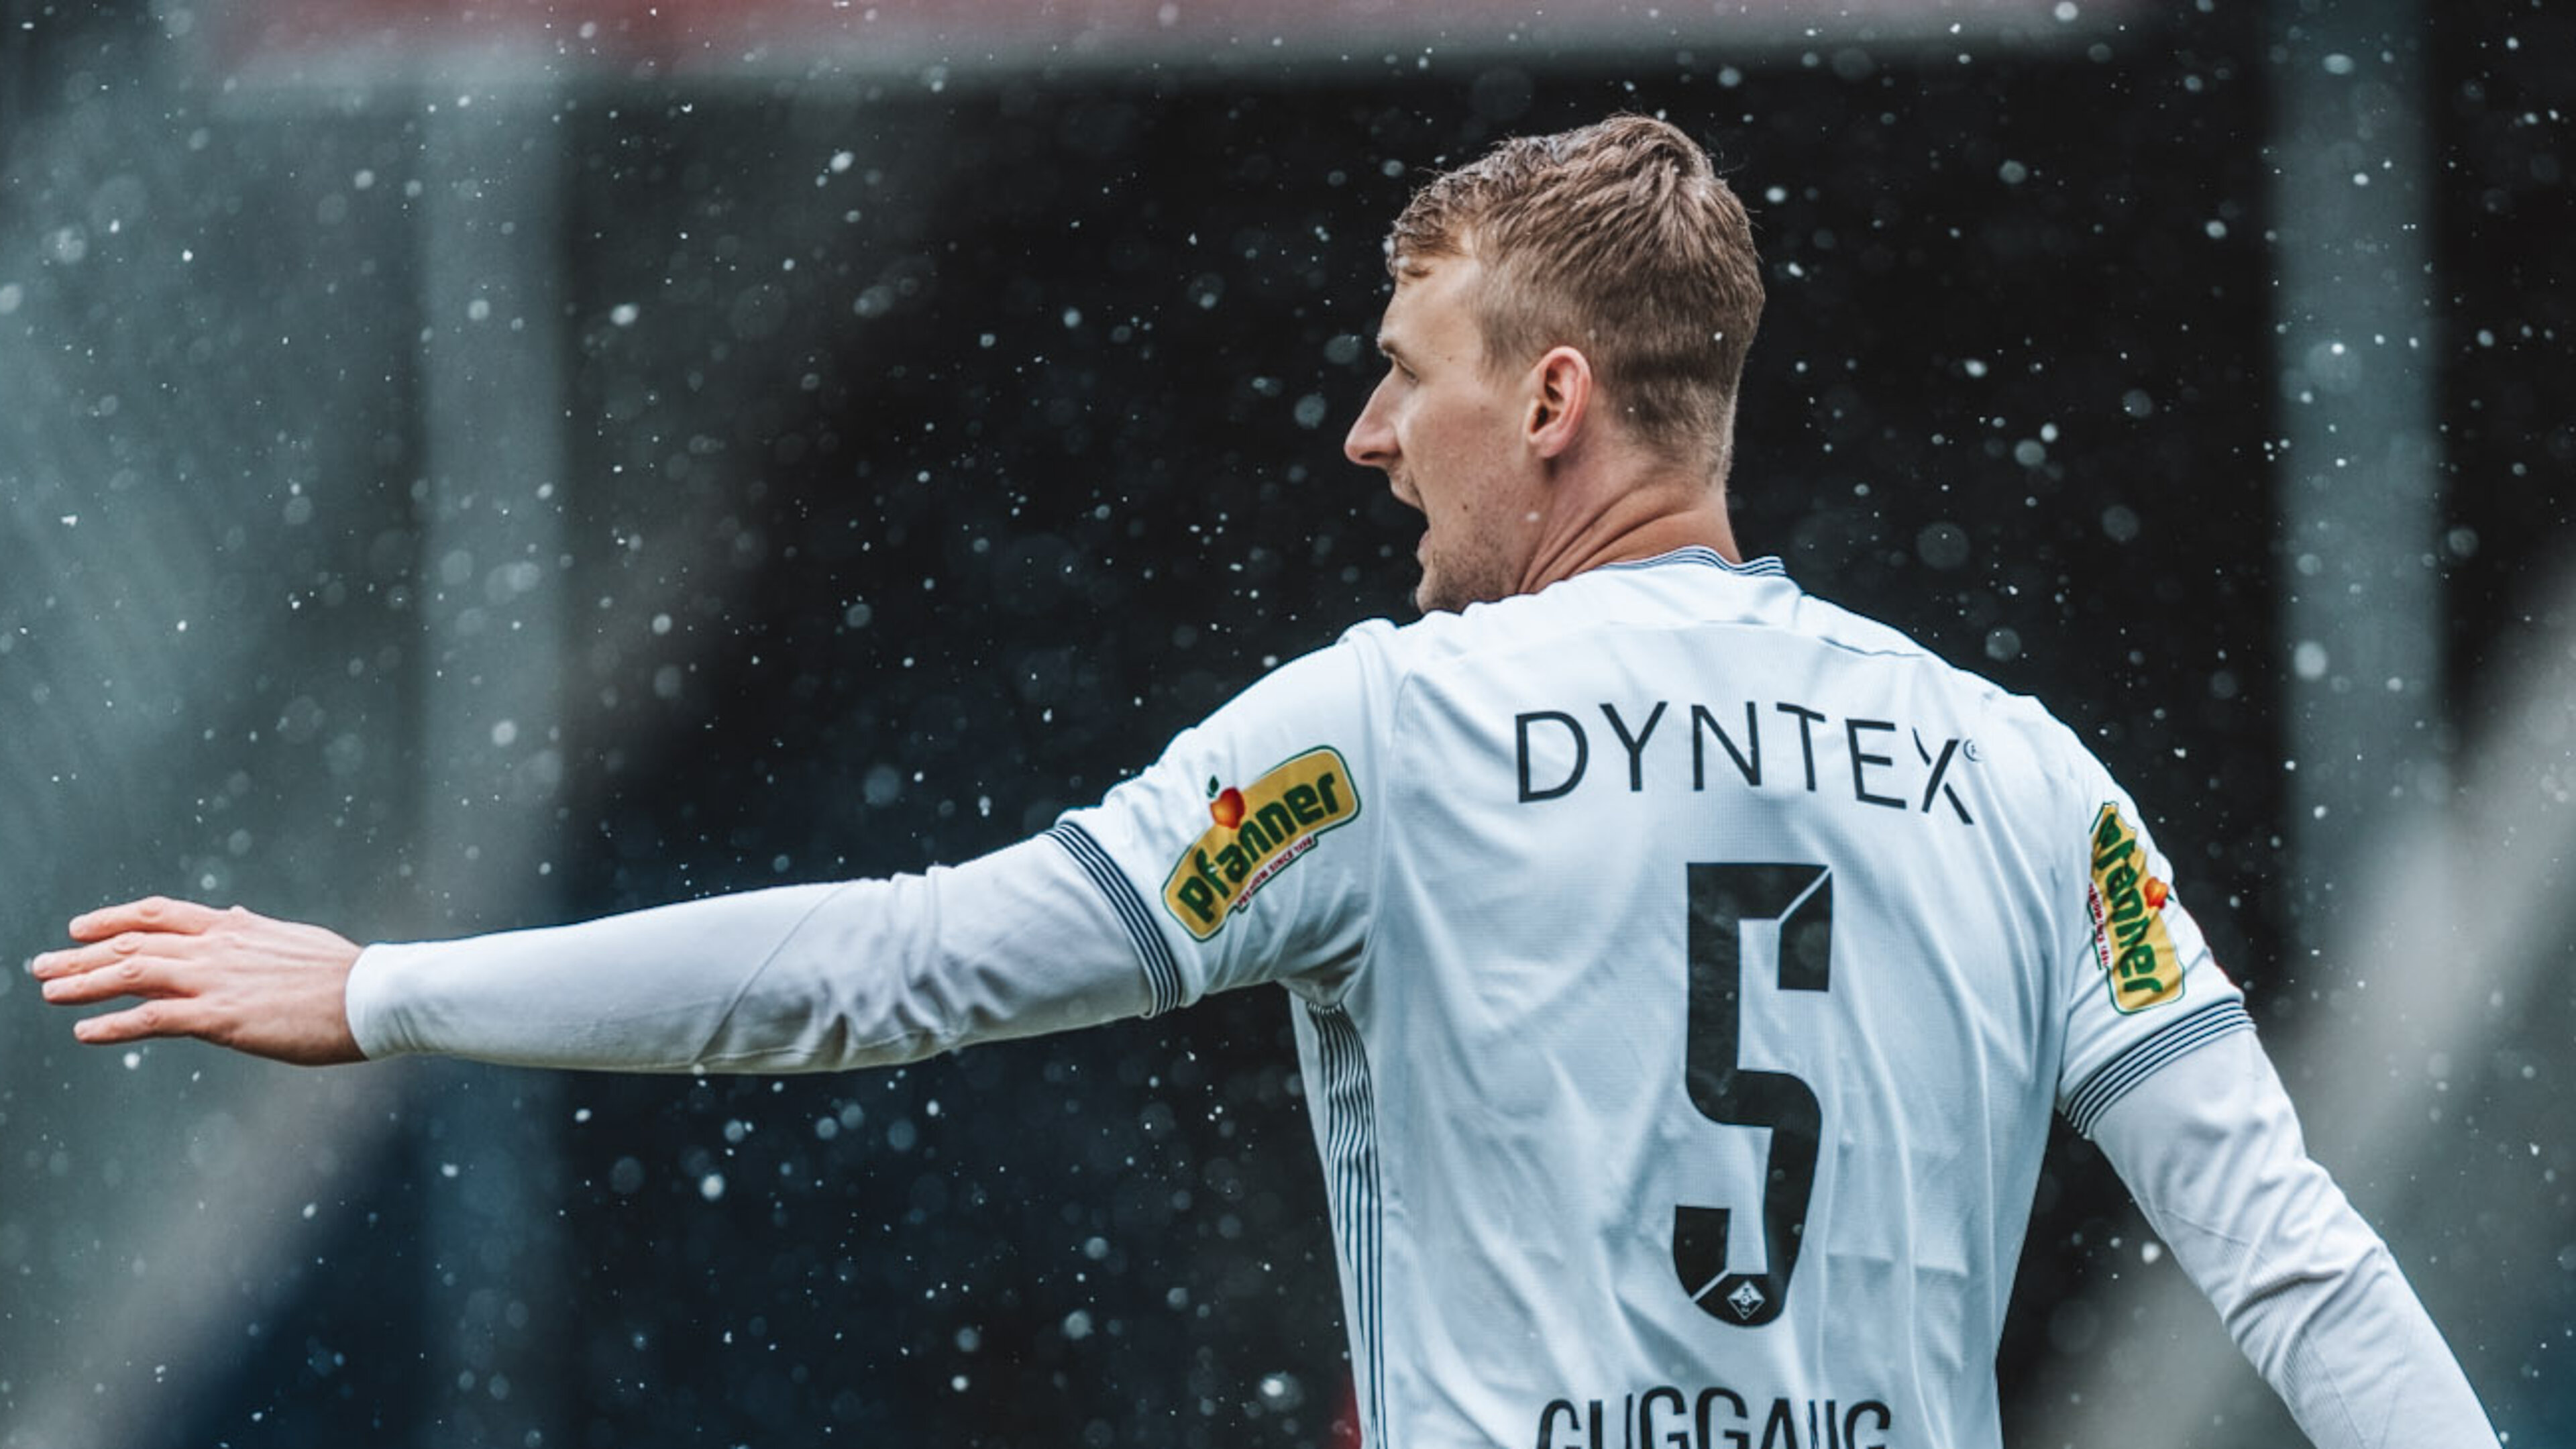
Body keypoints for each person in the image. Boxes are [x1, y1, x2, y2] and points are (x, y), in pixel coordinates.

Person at [30, 115, 2498, 1448]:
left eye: (1409, 367)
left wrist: (388, 991)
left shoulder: (1390, 736)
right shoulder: (2021, 779)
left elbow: (901, 969)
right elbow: (2291, 1259)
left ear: (1555, 400)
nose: (1365, 431)